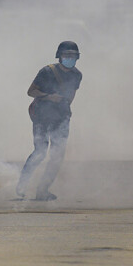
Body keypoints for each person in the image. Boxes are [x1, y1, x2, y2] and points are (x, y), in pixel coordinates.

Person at [17, 41, 82, 201]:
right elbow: (31, 91)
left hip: (62, 118)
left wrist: (65, 108)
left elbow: (72, 94)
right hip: (42, 116)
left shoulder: (77, 75)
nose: (70, 58)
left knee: (57, 155)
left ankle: (43, 190)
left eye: (73, 55)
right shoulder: (47, 71)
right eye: (67, 55)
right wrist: (49, 97)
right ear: (59, 56)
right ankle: (22, 185)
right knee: (40, 151)